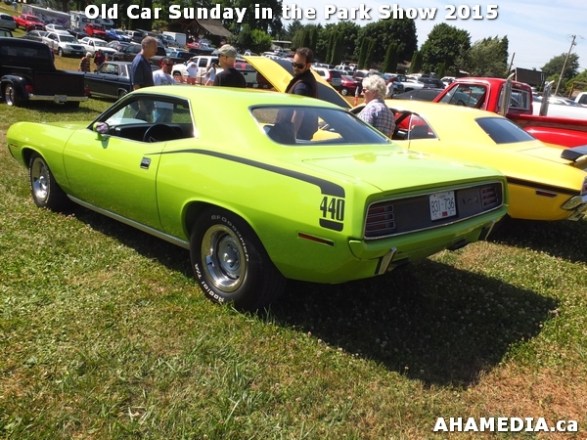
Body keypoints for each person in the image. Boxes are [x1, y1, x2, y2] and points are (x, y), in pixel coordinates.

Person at [283, 47, 318, 140]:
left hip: (297, 135)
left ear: (308, 65)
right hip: (301, 134)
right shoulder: (307, 78)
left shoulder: (302, 86)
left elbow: (298, 112)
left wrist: (291, 137)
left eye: (300, 66)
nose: (295, 68)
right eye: (294, 64)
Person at [152, 57, 177, 122]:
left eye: (172, 65)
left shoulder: (171, 77)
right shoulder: (156, 74)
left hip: (169, 107)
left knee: (167, 126)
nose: (170, 67)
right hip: (158, 106)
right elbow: (151, 89)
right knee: (157, 125)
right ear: (162, 64)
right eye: (168, 65)